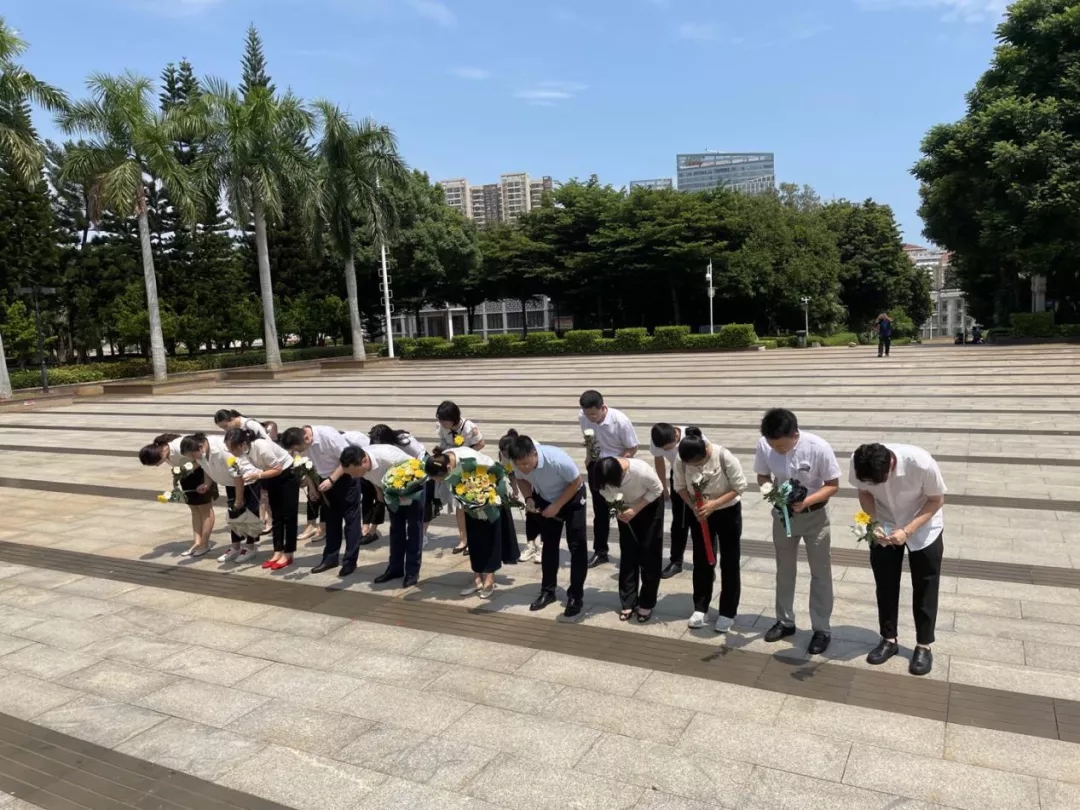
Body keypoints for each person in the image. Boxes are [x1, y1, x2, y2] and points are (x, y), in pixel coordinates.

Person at [850, 443, 947, 677]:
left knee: (925, 585)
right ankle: (888, 638)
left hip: (924, 526)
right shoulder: (858, 461)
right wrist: (874, 521)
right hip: (884, 523)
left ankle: (924, 645)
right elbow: (864, 493)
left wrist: (908, 530)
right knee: (885, 583)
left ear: (891, 465)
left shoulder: (921, 463)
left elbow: (936, 500)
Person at [753, 408, 840, 655]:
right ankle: (785, 621)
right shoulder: (764, 444)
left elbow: (833, 485)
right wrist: (771, 493)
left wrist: (806, 501)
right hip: (783, 517)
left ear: (795, 434)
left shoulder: (818, 447)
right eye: (773, 446)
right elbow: (762, 476)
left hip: (815, 517)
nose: (777, 450)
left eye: (781, 446)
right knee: (784, 569)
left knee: (820, 573)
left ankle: (822, 629)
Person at [507, 433, 588, 619]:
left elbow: (576, 482)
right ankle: (548, 591)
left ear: (535, 453)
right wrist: (528, 498)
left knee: (577, 546)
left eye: (526, 463)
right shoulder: (518, 463)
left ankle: (576, 596)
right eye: (519, 465)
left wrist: (557, 506)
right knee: (549, 545)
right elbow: (521, 479)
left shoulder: (557, 459)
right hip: (545, 497)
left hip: (573, 498)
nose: (523, 468)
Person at [673, 430, 746, 632]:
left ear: (705, 451)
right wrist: (694, 506)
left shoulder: (723, 456)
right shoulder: (681, 460)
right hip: (699, 513)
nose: (694, 467)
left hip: (727, 511)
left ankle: (728, 612)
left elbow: (739, 486)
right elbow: (680, 486)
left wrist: (714, 504)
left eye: (698, 463)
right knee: (701, 559)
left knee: (730, 561)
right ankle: (700, 607)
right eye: (691, 465)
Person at [281, 425, 361, 577]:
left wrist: (332, 479)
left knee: (351, 521)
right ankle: (330, 558)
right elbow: (305, 465)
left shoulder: (328, 436)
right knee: (331, 521)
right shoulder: (300, 442)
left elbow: (348, 460)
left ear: (306, 438)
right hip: (324, 480)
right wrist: (312, 487)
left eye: (299, 449)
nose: (299, 452)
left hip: (345, 478)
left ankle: (350, 561)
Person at [425, 445, 503, 599]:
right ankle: (477, 578)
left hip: (489, 496)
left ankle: (489, 578)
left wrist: (483, 497)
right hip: (468, 500)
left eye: (440, 479)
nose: (439, 482)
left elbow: (494, 476)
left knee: (489, 538)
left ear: (449, 468)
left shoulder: (470, 459)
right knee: (473, 538)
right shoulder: (441, 460)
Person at [339, 443, 421, 587]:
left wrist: (405, 492)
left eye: (354, 472)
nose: (353, 476)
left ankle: (412, 572)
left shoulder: (388, 457)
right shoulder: (362, 466)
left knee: (414, 530)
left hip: (413, 489)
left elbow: (416, 468)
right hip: (392, 493)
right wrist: (379, 490)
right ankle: (395, 569)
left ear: (364, 461)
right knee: (396, 531)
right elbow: (373, 477)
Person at [596, 456, 665, 624]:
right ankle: (628, 601)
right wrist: (617, 509)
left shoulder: (640, 470)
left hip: (649, 505)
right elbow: (604, 492)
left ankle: (647, 602)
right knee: (628, 553)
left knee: (649, 553)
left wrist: (635, 509)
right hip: (624, 507)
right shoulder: (603, 472)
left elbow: (658, 489)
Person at [578, 390, 640, 569]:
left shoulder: (620, 421)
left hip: (616, 468)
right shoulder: (583, 416)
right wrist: (588, 457)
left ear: (603, 407)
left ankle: (630, 552)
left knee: (621, 508)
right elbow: (588, 437)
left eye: (594, 414)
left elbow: (632, 448)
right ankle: (600, 551)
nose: (590, 418)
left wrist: (616, 465)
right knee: (600, 512)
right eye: (587, 414)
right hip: (596, 466)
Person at [179, 433, 261, 563]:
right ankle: (235, 547)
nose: (194, 459)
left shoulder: (224, 451)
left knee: (249, 514)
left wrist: (239, 500)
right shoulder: (201, 453)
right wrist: (207, 484)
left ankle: (250, 547)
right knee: (234, 514)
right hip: (230, 482)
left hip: (247, 480)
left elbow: (238, 476)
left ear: (200, 447)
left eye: (193, 456)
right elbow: (206, 467)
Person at [224, 427, 297, 572]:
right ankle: (277, 551)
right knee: (276, 515)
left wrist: (257, 476)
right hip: (271, 476)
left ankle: (288, 553)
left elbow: (278, 468)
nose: (230, 452)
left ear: (242, 444)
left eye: (232, 448)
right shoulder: (244, 452)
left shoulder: (261, 446)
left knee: (288, 516)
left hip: (287, 474)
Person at [139, 433, 217, 558]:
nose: (158, 465)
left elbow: (202, 458)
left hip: (202, 473)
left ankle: (204, 543)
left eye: (157, 463)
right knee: (194, 509)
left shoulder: (179, 446)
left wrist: (185, 471)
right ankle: (197, 542)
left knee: (205, 509)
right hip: (186, 475)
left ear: (160, 453)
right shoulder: (163, 450)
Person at [370, 424, 436, 549]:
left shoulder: (405, 440)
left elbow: (421, 456)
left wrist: (415, 478)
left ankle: (421, 535)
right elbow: (372, 472)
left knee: (423, 503)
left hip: (419, 470)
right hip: (397, 476)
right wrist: (378, 490)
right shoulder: (373, 449)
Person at [650, 423, 701, 579]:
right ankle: (676, 561)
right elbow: (659, 461)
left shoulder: (694, 436)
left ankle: (705, 566)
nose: (666, 451)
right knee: (679, 522)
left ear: (676, 436)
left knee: (701, 522)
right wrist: (663, 487)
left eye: (668, 448)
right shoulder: (657, 439)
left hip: (699, 476)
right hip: (678, 475)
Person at [436, 400, 485, 555]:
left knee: (472, 504)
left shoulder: (469, 427)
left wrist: (464, 451)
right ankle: (463, 539)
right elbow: (443, 442)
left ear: (453, 418)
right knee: (459, 505)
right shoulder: (442, 428)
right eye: (440, 419)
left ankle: (475, 538)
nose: (442, 423)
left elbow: (481, 444)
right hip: (453, 467)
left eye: (444, 420)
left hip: (469, 467)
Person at [214, 410, 272, 532]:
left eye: (225, 426)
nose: (225, 430)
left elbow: (267, 442)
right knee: (261, 496)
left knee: (264, 494)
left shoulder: (250, 425)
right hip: (249, 464)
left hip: (261, 462)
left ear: (232, 419)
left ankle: (269, 521)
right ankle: (262, 519)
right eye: (222, 428)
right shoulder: (234, 431)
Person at [499, 431, 542, 563]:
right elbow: (511, 472)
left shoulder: (532, 448)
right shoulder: (504, 454)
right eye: (505, 454)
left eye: (508, 454)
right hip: (524, 479)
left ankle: (542, 546)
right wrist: (515, 490)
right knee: (530, 513)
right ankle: (531, 545)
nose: (507, 457)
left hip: (540, 481)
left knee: (542, 513)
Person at [343, 429, 382, 545]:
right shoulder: (342, 442)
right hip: (361, 467)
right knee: (366, 496)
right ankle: (365, 527)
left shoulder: (356, 439)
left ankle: (373, 530)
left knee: (380, 499)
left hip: (373, 466)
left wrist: (378, 489)